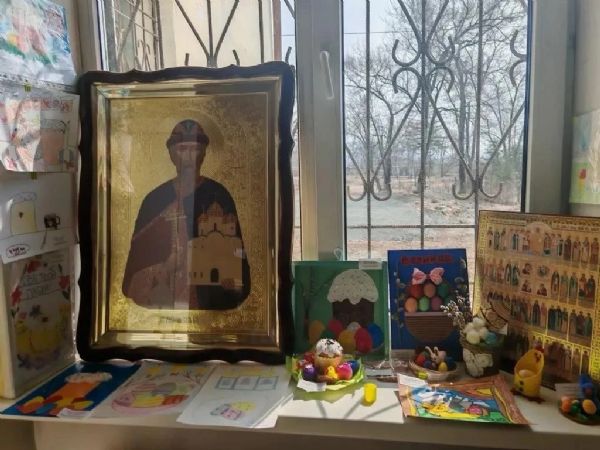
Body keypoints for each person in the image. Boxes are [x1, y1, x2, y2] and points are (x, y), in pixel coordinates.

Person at [122, 119, 250, 310]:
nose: (189, 157)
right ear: (172, 154)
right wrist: (166, 267)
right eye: (182, 149)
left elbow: (235, 257)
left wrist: (230, 281)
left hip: (208, 302)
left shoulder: (218, 195)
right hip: (163, 307)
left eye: (194, 149)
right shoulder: (155, 200)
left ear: (204, 153)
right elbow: (135, 271)